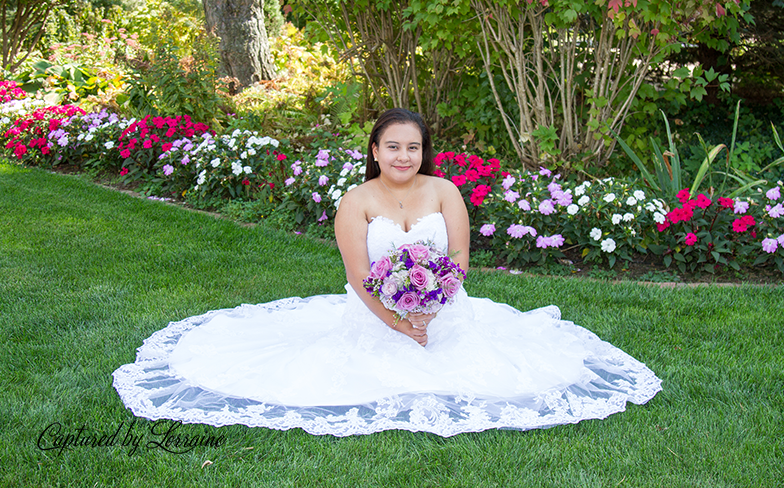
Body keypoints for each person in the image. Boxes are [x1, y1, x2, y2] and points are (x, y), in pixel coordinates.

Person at [113, 109, 661, 437]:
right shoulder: (356, 200)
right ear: (375, 150)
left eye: (413, 147)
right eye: (392, 147)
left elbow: (462, 262)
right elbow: (357, 276)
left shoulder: (446, 192)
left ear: (425, 152)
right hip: (374, 315)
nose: (403, 156)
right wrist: (397, 321)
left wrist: (430, 305)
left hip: (447, 313)